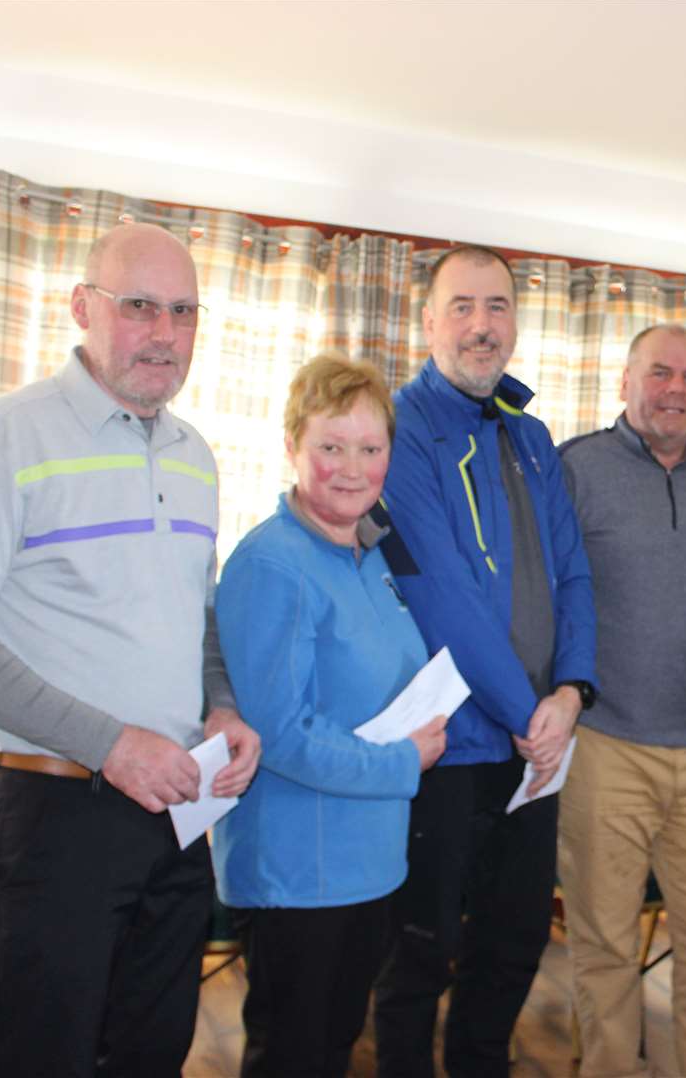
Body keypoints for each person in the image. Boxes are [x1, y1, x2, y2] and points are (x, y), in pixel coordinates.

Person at [0, 222, 262, 1077]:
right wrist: (111, 743)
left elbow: (196, 615)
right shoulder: (9, 436)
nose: (164, 334)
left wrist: (223, 704)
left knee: (150, 1052)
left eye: (183, 312)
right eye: (139, 307)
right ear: (82, 309)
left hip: (173, 812)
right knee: (46, 1060)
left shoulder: (197, 455)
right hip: (48, 815)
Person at [374, 245, 598, 1076]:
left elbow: (574, 573)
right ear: (428, 321)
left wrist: (572, 692)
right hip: (452, 746)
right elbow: (438, 594)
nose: (481, 325)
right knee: (419, 954)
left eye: (497, 306)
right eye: (461, 306)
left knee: (512, 944)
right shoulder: (400, 428)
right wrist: (529, 715)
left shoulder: (534, 435)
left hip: (538, 743)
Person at [212, 354, 449, 1077]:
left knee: (336, 1045)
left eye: (370, 449)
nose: (352, 468)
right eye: (330, 447)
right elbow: (280, 735)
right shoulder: (271, 564)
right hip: (298, 870)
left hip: (371, 859)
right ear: (292, 448)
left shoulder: (374, 547)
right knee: (292, 1056)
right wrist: (405, 761)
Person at [557, 324, 686, 1077]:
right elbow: (542, 589)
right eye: (660, 373)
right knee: (605, 944)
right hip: (604, 745)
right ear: (625, 380)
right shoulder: (574, 468)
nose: (676, 390)